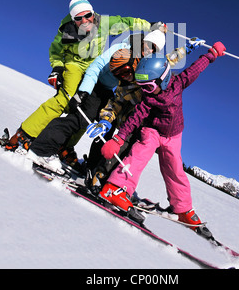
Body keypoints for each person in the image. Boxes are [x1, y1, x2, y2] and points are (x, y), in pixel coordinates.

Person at [98, 41, 226, 233]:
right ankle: (115, 187)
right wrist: (119, 138)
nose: (145, 92)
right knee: (138, 154)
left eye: (148, 87)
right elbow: (135, 117)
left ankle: (182, 209)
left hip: (174, 135)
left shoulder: (180, 82)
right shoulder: (148, 99)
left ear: (163, 79)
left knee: (175, 170)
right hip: (152, 131)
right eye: (141, 87)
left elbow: (196, 68)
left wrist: (212, 54)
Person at [5, 0, 153, 151]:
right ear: (73, 19)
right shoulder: (67, 29)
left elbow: (127, 22)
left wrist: (150, 26)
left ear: (93, 14)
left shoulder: (103, 22)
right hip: (74, 64)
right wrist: (57, 68)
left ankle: (66, 147)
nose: (84, 21)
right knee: (66, 98)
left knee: (89, 108)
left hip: (93, 66)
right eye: (78, 18)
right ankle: (25, 133)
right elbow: (55, 51)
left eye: (87, 15)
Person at [25, 30, 167, 173]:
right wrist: (84, 91)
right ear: (143, 41)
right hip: (93, 85)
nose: (149, 48)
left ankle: (93, 167)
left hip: (107, 91)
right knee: (81, 118)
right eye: (148, 44)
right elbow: (96, 66)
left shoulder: (142, 61)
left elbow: (165, 64)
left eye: (153, 48)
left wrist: (184, 49)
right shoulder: (121, 48)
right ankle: (42, 150)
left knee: (106, 127)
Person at [85, 37, 203, 190]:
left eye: (126, 71)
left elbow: (169, 59)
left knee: (134, 155)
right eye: (118, 75)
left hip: (148, 125)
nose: (124, 76)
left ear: (133, 64)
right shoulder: (123, 88)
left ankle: (116, 183)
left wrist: (187, 48)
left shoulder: (147, 71)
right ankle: (99, 175)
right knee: (119, 147)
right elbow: (114, 105)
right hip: (130, 124)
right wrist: (105, 120)